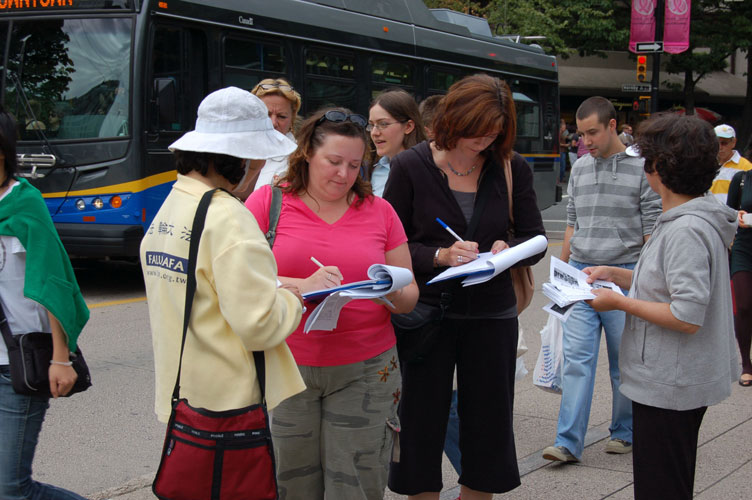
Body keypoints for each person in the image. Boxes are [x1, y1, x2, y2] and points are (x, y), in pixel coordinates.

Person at [384, 74, 546, 499]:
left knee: (488, 426)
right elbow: (390, 244)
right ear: (454, 119)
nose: (484, 141)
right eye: (477, 131)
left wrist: (507, 250)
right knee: (419, 424)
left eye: (494, 133)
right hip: (426, 314)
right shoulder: (409, 166)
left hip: (491, 314)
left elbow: (534, 238)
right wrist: (439, 255)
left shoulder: (510, 166)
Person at [245, 108, 419, 500]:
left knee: (355, 485)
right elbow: (237, 278)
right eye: (334, 162)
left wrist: (389, 291)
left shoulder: (380, 211)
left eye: (355, 166)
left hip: (367, 369)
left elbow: (409, 295)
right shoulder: (267, 203)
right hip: (286, 364)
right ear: (307, 152)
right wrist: (300, 285)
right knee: (291, 481)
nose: (344, 175)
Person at [586, 113, 738, 499]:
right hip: (675, 377)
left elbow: (686, 315)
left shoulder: (686, 229)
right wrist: (618, 275)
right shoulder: (689, 219)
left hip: (672, 380)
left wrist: (620, 303)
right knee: (670, 480)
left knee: (661, 486)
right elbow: (667, 284)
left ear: (657, 168)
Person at [140, 87, 306, 430]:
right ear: (241, 160)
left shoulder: (175, 201)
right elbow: (259, 325)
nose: (260, 168)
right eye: (258, 159)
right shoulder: (229, 217)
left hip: (181, 393)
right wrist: (292, 299)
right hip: (229, 405)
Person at [542, 96, 661, 464]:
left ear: (612, 125)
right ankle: (568, 442)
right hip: (580, 274)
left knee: (623, 362)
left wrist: (644, 280)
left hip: (622, 275)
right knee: (577, 360)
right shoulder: (579, 167)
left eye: (592, 132)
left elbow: (651, 231)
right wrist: (560, 275)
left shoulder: (641, 169)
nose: (586, 141)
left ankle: (623, 431)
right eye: (581, 134)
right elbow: (572, 225)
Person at [0, 105, 90, 499]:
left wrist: (60, 357)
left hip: (16, 364)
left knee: (11, 489)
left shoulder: (24, 203)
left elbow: (54, 283)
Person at [368, 89, 425, 196]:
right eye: (371, 125)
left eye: (383, 124)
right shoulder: (374, 169)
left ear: (408, 126)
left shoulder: (427, 171)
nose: (374, 133)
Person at [249, 78, 302, 193]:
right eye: (266, 115)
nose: (273, 123)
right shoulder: (235, 149)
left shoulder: (299, 160)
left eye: (281, 116)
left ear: (292, 119)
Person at [726, 161, 752, 387]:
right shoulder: (742, 179)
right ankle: (746, 364)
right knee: (743, 305)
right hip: (744, 248)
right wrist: (738, 216)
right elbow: (728, 213)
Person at [709, 124, 752, 205]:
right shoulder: (707, 165)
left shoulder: (746, 167)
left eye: (724, 143)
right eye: (717, 143)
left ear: (733, 142)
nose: (720, 147)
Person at [559, 118, 570, 183]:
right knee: (562, 166)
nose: (565, 127)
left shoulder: (563, 133)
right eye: (564, 126)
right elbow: (558, 143)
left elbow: (565, 137)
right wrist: (565, 145)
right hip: (561, 151)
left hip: (563, 151)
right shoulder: (559, 133)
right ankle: (560, 179)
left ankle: (561, 178)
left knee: (563, 166)